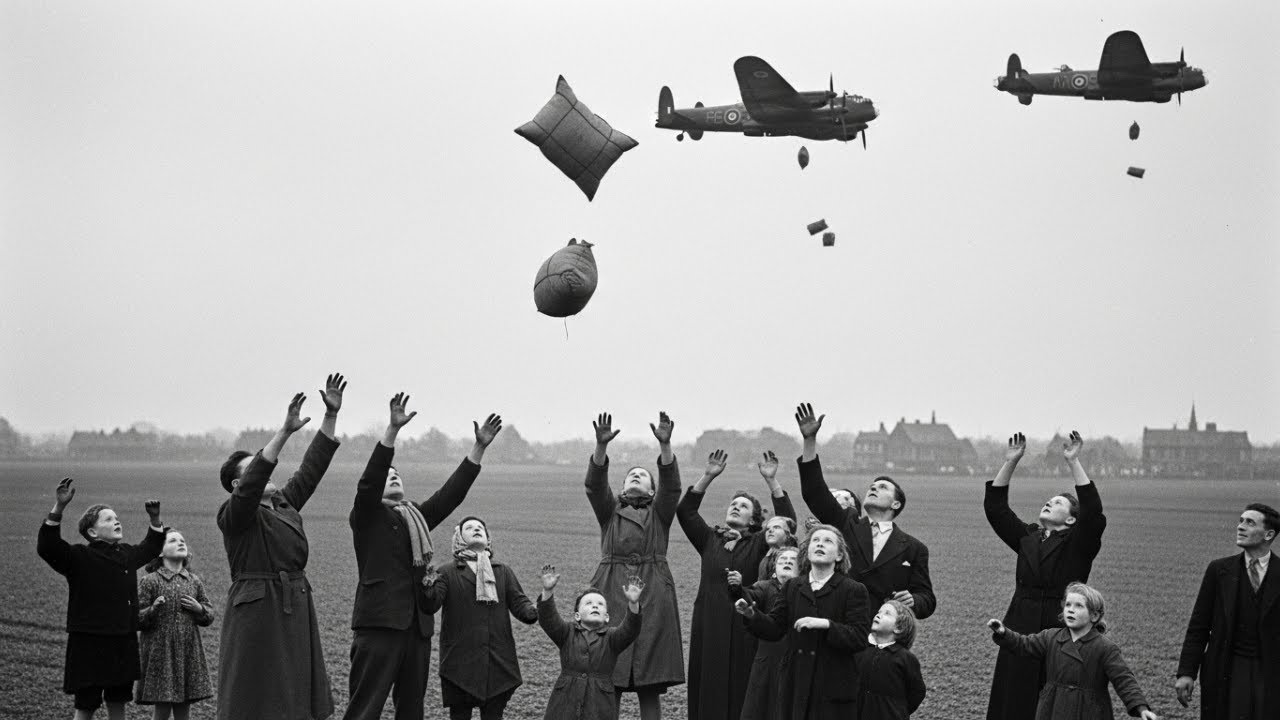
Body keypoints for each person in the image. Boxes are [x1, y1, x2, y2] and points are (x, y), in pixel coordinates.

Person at [344, 393, 503, 720]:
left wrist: (478, 449)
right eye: (388, 474)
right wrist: (391, 431)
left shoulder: (415, 516)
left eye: (397, 473)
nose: (394, 475)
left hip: (417, 628)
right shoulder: (367, 516)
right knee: (365, 710)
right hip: (379, 626)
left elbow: (450, 496)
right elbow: (369, 482)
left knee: (411, 712)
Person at [216, 375, 345, 720]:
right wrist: (284, 432)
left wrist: (330, 416)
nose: (267, 471)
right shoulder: (235, 515)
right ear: (236, 484)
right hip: (259, 610)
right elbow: (253, 482)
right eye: (255, 467)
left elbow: (312, 469)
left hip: (294, 604)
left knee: (294, 695)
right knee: (259, 695)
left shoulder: (284, 505)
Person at [984, 431, 1107, 720]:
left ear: (1072, 519)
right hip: (1018, 631)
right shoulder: (1028, 538)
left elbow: (1093, 513)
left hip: (1060, 634)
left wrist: (1073, 461)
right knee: (1011, 707)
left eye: (1058, 502)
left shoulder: (1080, 544)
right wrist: (1010, 461)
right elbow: (996, 509)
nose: (1049, 503)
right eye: (1048, 500)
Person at [678, 448, 796, 720]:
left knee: (744, 691)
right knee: (707, 686)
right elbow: (686, 512)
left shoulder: (758, 543)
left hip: (747, 625)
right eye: (734, 503)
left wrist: (771, 481)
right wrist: (707, 476)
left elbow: (788, 523)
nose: (735, 506)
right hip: (710, 623)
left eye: (743, 506)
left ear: (755, 520)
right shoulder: (710, 540)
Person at [584, 411, 685, 720]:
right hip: (611, 590)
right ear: (622, 488)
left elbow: (672, 488)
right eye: (631, 475)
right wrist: (601, 448)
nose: (636, 477)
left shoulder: (660, 513)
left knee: (649, 682)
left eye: (643, 475)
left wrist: (665, 447)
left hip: (653, 593)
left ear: (652, 491)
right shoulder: (609, 510)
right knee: (609, 677)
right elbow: (594, 486)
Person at [37, 477, 165, 720]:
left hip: (122, 641)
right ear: (92, 532)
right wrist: (59, 507)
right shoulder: (78, 557)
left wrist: (155, 519)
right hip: (89, 643)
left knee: (118, 701)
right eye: (108, 519)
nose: (116, 521)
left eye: (116, 518)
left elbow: (150, 547)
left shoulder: (127, 554)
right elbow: (48, 547)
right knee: (86, 704)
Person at [795, 403, 936, 619]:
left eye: (882, 487)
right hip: (838, 625)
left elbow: (927, 599)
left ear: (896, 504)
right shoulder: (846, 523)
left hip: (880, 632)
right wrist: (809, 441)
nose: (873, 487)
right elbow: (814, 493)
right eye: (872, 485)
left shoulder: (914, 549)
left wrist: (915, 600)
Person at [736, 524, 871, 720]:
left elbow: (859, 638)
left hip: (832, 685)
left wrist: (825, 624)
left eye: (827, 541)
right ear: (806, 552)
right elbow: (775, 628)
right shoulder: (793, 586)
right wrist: (752, 615)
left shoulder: (853, 590)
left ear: (840, 555)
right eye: (815, 541)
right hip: (795, 682)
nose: (820, 545)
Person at [422, 517, 539, 720]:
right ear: (459, 538)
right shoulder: (447, 572)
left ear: (488, 537)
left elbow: (524, 610)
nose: (476, 529)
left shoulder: (502, 571)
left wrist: (544, 598)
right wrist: (426, 581)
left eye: (480, 528)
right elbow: (431, 605)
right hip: (459, 663)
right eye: (469, 528)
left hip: (498, 662)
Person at [988, 582, 1157, 720]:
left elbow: (1124, 680)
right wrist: (1004, 632)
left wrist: (1141, 708)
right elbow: (1024, 644)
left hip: (1090, 712)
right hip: (1052, 708)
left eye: (1078, 606)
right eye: (1068, 604)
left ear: (1094, 616)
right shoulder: (1051, 637)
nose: (1070, 609)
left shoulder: (1105, 648)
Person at [1175, 503, 1280, 720]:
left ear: (1269, 534)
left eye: (1250, 523)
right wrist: (1186, 672)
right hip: (1226, 668)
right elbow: (1199, 626)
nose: (1240, 527)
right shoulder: (1219, 570)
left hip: (1270, 672)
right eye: (1241, 521)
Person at [536, 565, 644, 720]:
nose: (595, 605)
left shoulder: (612, 638)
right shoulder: (567, 632)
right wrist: (547, 591)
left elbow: (630, 629)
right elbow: (548, 619)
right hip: (565, 701)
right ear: (577, 616)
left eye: (600, 604)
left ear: (606, 617)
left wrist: (633, 604)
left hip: (600, 704)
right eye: (589, 603)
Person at [136, 529, 214, 720]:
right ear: (160, 552)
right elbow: (136, 618)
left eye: (182, 540)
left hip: (188, 651)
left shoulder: (194, 581)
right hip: (160, 652)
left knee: (184, 707)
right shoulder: (150, 581)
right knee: (162, 706)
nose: (180, 543)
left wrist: (199, 609)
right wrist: (152, 609)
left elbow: (209, 614)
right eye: (172, 540)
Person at [728, 546, 800, 720]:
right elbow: (749, 595)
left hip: (796, 663)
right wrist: (738, 588)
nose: (787, 562)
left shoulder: (807, 591)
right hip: (767, 663)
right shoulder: (765, 587)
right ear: (774, 569)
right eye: (782, 560)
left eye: (792, 561)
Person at [855, 600, 926, 720]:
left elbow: (917, 692)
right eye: (878, 612)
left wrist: (898, 710)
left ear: (899, 628)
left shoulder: (905, 658)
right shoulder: (858, 649)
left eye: (887, 613)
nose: (878, 615)